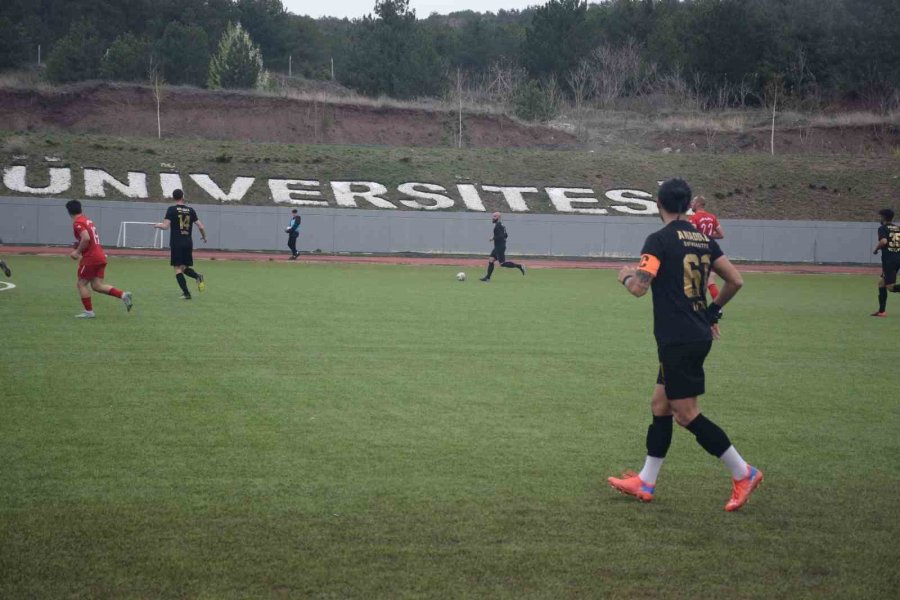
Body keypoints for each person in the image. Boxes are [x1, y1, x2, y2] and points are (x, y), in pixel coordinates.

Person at [609, 178, 762, 512]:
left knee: (686, 414)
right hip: (694, 333)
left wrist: (624, 275)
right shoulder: (703, 238)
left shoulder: (659, 239)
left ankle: (743, 472)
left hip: (678, 338)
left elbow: (639, 288)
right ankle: (646, 481)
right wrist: (711, 312)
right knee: (660, 405)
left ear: (658, 204)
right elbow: (735, 280)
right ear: (688, 204)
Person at [66, 200, 133, 318]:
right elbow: (88, 238)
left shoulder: (78, 222)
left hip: (91, 258)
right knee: (97, 285)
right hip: (100, 255)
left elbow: (86, 238)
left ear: (69, 212)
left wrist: (77, 251)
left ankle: (89, 312)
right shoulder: (87, 220)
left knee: (81, 284)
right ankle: (123, 295)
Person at [154, 189, 207, 300]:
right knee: (184, 267)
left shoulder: (172, 209)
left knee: (177, 268)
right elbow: (201, 226)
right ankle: (198, 277)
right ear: (183, 196)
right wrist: (204, 236)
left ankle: (186, 293)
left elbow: (165, 226)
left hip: (177, 242)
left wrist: (157, 225)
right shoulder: (191, 210)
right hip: (188, 242)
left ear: (173, 198)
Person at [689, 195, 724, 300]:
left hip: (699, 252)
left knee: (695, 281)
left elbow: (692, 234)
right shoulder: (712, 217)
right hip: (711, 251)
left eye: (693, 202)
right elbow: (721, 234)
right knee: (710, 281)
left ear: (698, 204)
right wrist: (708, 236)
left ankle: (695, 306)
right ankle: (718, 308)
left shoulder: (694, 218)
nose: (691, 204)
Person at [479, 212, 526, 282]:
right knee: (491, 260)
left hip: (500, 247)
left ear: (498, 217)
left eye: (494, 216)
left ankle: (519, 266)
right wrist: (497, 238)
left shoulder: (498, 226)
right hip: (498, 247)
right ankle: (488, 278)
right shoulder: (502, 225)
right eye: (493, 216)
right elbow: (506, 235)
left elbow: (501, 236)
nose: (493, 218)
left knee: (502, 264)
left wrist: (493, 238)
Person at [872, 208, 900, 317]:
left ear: (883, 217)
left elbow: (883, 241)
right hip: (897, 258)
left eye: (880, 216)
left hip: (890, 260)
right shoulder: (898, 228)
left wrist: (876, 249)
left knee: (890, 287)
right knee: (881, 283)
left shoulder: (882, 228)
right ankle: (882, 311)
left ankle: (882, 311)